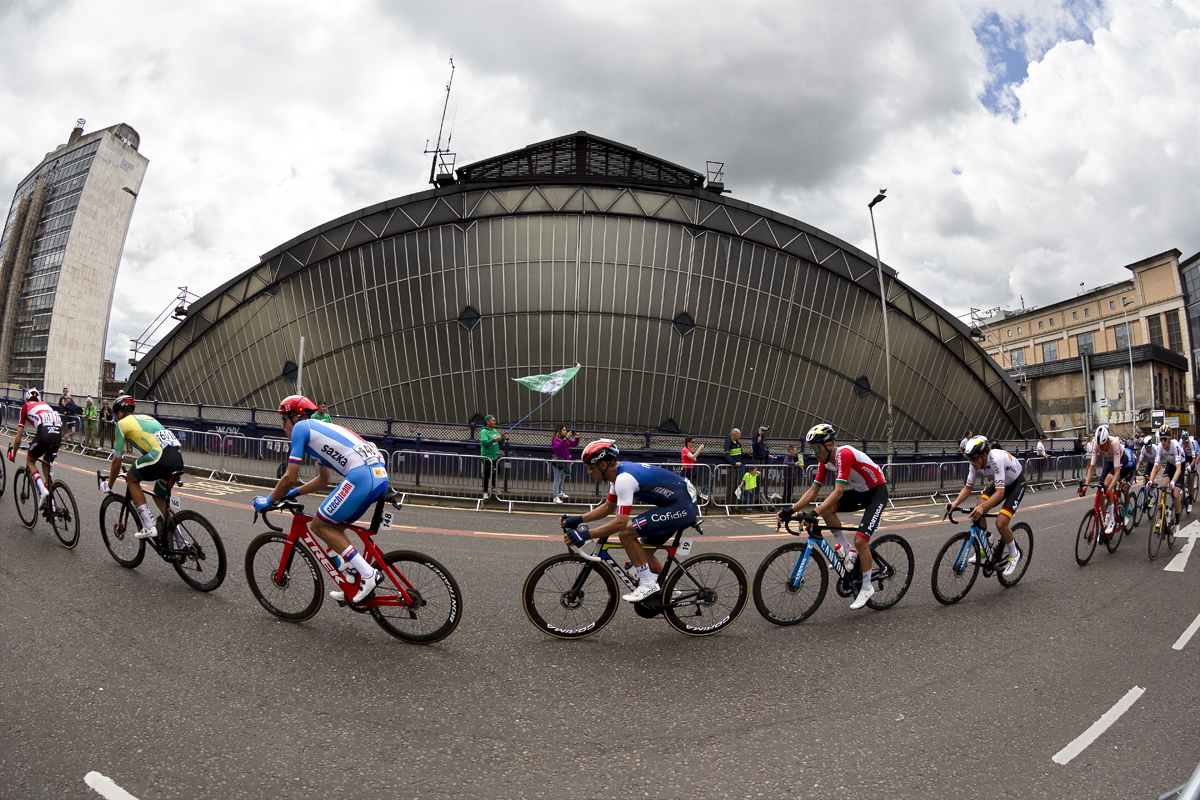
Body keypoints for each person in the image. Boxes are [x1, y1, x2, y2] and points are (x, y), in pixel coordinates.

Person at [254, 395, 389, 603]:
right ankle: (352, 579)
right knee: (334, 528)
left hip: (362, 476)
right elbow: (323, 480)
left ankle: (369, 575)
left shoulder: (301, 429)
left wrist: (269, 500)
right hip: (378, 475)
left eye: (283, 420)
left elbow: (289, 477)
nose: (282, 426)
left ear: (295, 417)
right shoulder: (317, 432)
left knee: (318, 525)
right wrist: (294, 493)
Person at [559, 440, 700, 603]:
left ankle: (648, 584)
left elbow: (620, 523)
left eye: (590, 467)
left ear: (603, 465)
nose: (589, 472)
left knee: (625, 533)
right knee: (643, 553)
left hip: (682, 507)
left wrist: (585, 534)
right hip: (676, 504)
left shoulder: (623, 479)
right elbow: (608, 508)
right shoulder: (617, 476)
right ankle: (668, 588)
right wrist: (577, 519)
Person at [776, 423, 887, 610]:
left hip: (877, 492)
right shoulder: (825, 462)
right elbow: (813, 491)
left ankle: (867, 587)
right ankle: (845, 550)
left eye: (816, 448)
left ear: (828, 445)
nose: (813, 452)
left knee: (861, 542)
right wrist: (790, 510)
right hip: (861, 492)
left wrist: (813, 513)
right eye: (811, 448)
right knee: (826, 510)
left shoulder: (844, 454)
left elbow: (838, 492)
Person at [100, 394, 184, 537]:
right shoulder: (147, 418)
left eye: (116, 414)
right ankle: (181, 540)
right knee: (159, 496)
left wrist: (110, 485)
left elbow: (117, 461)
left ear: (120, 413)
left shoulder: (121, 424)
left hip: (159, 456)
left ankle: (149, 525)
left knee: (131, 478)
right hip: (177, 458)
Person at [946, 436, 1025, 577]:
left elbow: (1000, 493)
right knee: (979, 506)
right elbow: (968, 488)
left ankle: (1014, 553)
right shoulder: (974, 462)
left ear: (984, 454)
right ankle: (987, 541)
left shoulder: (996, 459)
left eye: (974, 458)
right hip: (1001, 484)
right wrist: (954, 503)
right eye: (969, 459)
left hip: (1015, 484)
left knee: (1001, 523)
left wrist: (983, 507)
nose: (972, 462)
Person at [7, 389, 62, 512]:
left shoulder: (25, 406)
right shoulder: (45, 404)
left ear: (27, 399)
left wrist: (13, 454)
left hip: (45, 432)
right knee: (46, 464)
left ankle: (42, 490)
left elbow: (18, 438)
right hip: (58, 432)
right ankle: (52, 505)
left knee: (30, 461)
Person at [1079, 425, 1123, 533]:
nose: (1102, 448)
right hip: (1108, 462)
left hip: (1120, 461)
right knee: (1100, 492)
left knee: (1108, 483)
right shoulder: (1096, 444)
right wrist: (1085, 486)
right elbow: (1091, 468)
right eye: (1100, 445)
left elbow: (1117, 472)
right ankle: (1105, 520)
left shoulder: (1114, 443)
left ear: (1107, 440)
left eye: (1103, 445)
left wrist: (1110, 489)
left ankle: (1112, 520)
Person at [1147, 426, 1185, 530]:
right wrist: (1151, 480)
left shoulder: (1175, 445)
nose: (1162, 442)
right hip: (1170, 464)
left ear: (1169, 439)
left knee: (1176, 494)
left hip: (1179, 465)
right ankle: (1162, 512)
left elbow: (1178, 469)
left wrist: (1173, 482)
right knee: (1164, 485)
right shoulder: (1159, 447)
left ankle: (1177, 521)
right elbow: (1156, 466)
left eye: (1165, 439)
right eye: (1161, 439)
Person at [550, 425, 578, 503]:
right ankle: (555, 496)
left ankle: (560, 492)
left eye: (566, 430)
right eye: (564, 430)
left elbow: (574, 444)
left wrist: (577, 438)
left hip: (565, 461)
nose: (565, 431)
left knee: (562, 478)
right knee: (557, 479)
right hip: (558, 462)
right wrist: (565, 439)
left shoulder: (566, 440)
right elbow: (558, 446)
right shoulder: (555, 439)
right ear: (560, 431)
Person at [480, 414, 505, 500]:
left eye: (495, 420)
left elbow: (500, 443)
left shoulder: (495, 431)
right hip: (487, 457)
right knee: (486, 475)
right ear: (488, 422)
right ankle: (485, 492)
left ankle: (493, 488)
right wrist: (494, 440)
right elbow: (484, 444)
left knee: (496, 472)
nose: (495, 422)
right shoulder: (483, 432)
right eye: (493, 420)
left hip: (495, 456)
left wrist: (502, 438)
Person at [723, 427, 746, 507]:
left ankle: (734, 504)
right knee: (730, 487)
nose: (740, 436)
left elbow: (740, 455)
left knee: (736, 486)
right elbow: (727, 455)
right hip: (731, 468)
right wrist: (734, 463)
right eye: (739, 434)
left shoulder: (738, 443)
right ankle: (728, 505)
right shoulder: (728, 443)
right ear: (734, 434)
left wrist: (747, 454)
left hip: (737, 468)